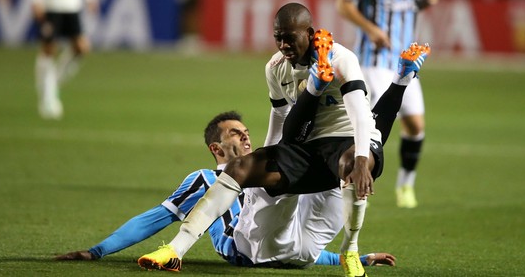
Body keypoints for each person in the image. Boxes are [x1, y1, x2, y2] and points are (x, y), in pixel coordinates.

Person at [138, 2, 429, 277]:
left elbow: (360, 114)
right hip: (307, 146)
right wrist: (263, 159)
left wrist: (364, 159)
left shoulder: (342, 57)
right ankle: (175, 249)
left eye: (290, 38)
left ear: (310, 34)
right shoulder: (274, 67)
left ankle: (350, 251)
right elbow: (279, 118)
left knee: (351, 161)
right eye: (278, 38)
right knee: (238, 168)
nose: (284, 45)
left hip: (347, 139)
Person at [55, 112, 396, 269]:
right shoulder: (204, 178)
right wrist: (97, 251)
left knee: (319, 175)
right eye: (235, 134)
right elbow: (155, 218)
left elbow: (297, 246)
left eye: (246, 131)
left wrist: (352, 258)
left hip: (280, 253)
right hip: (243, 251)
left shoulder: (267, 173)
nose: (246, 137)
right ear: (216, 150)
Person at [336, 0, 439, 209]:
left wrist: (423, 3)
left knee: (416, 126)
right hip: (375, 62)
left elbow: (405, 9)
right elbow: (342, 3)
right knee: (368, 128)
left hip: (405, 63)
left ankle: (405, 186)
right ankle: (349, 180)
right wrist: (371, 29)